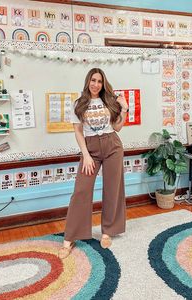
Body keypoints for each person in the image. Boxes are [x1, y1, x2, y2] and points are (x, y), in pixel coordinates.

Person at [58, 68, 128, 259]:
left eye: (99, 81)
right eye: (93, 80)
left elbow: (117, 128)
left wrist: (124, 108)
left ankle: (107, 231)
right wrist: (86, 156)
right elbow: (78, 132)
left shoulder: (109, 101)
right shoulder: (79, 104)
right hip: (91, 149)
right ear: (88, 81)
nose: (96, 84)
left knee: (113, 188)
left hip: (112, 145)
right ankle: (70, 238)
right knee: (81, 190)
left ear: (103, 83)